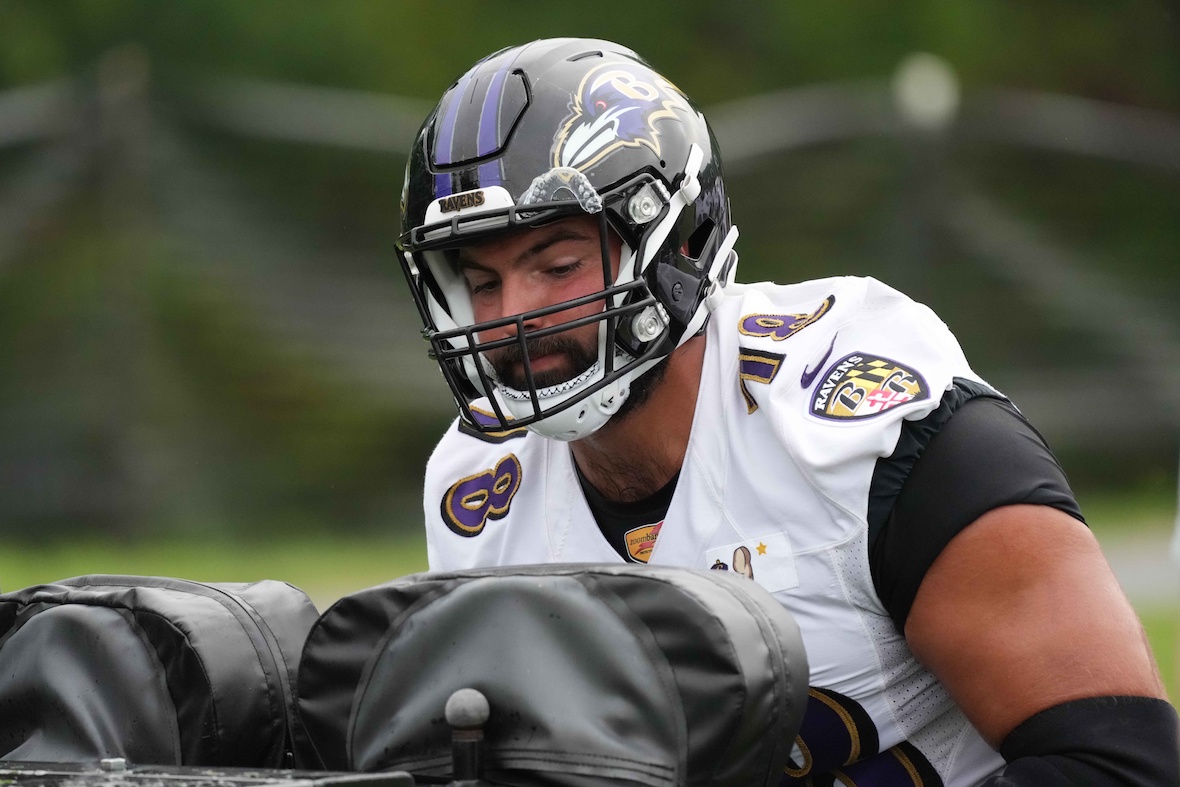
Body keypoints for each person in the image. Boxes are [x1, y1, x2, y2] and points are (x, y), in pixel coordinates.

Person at [397, 38, 1178, 785]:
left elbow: (1120, 763)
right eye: (482, 281)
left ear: (679, 243)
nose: (511, 319)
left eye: (557, 264)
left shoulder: (859, 426)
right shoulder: (476, 490)